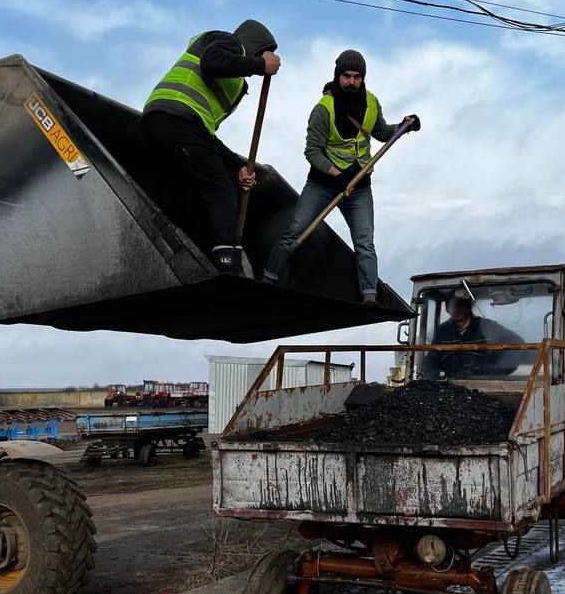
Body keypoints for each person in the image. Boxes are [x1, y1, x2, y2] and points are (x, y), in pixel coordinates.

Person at [262, 49, 419, 301]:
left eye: (357, 77)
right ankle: (269, 278)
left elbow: (380, 131)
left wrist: (404, 126)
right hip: (322, 184)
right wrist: (337, 175)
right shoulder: (324, 109)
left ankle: (369, 297)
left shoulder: (371, 103)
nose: (351, 82)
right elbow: (312, 151)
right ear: (338, 76)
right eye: (346, 76)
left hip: (359, 188)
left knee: (365, 243)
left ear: (363, 78)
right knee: (295, 231)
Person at [143, 20, 280, 276]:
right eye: (262, 53)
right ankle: (228, 263)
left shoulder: (233, 83)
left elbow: (206, 137)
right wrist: (261, 65)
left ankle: (194, 255)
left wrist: (237, 165)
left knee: (190, 192)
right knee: (221, 191)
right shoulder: (227, 41)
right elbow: (212, 61)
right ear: (255, 46)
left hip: (168, 121)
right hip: (178, 118)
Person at [420, 294, 527, 379]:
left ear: (468, 307)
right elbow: (432, 359)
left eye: (460, 305)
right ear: (447, 309)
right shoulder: (442, 332)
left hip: (486, 383)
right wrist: (430, 381)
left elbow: (517, 344)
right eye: (451, 305)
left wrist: (496, 372)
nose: (455, 309)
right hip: (453, 384)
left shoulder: (488, 327)